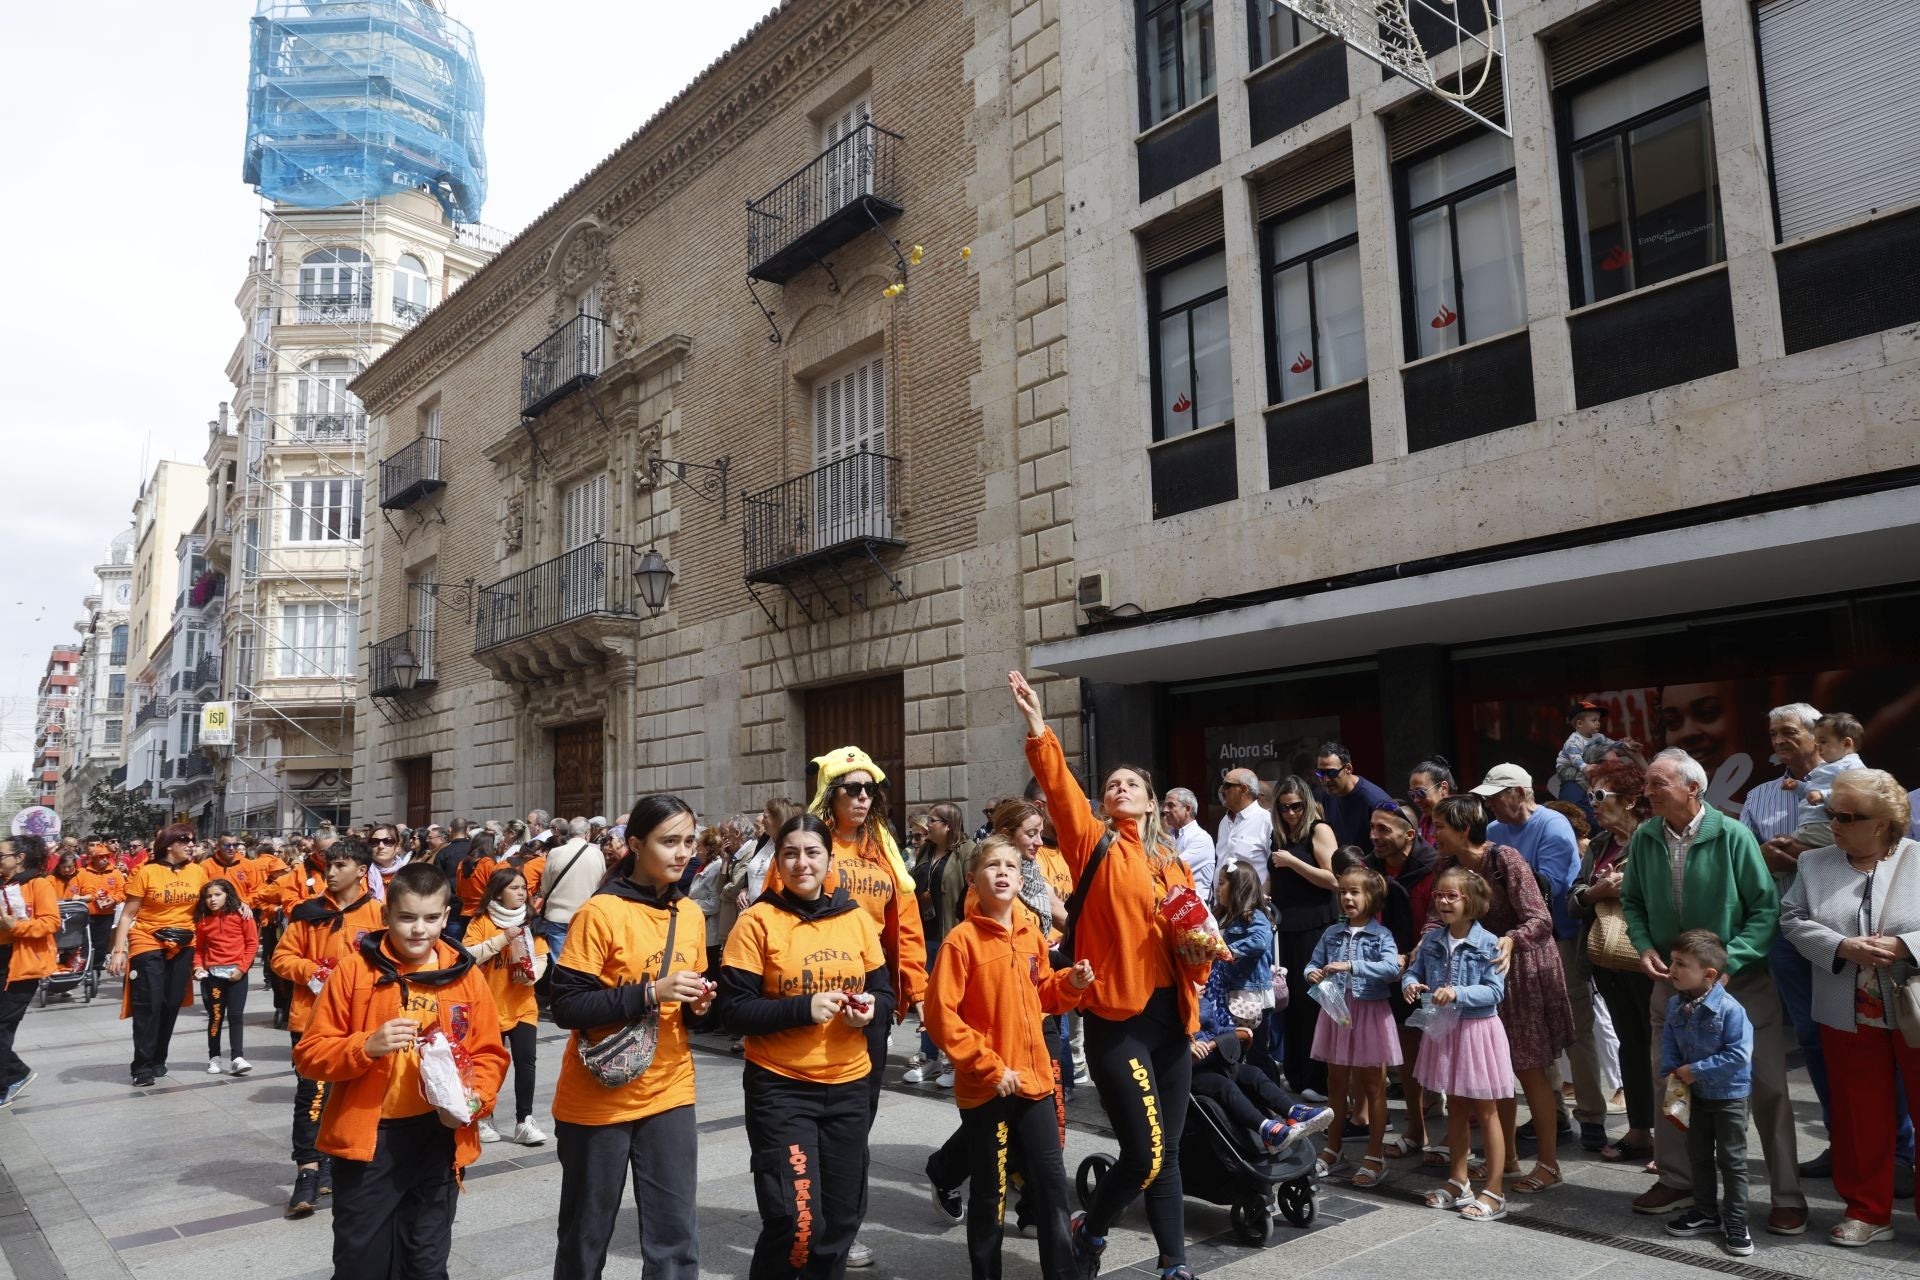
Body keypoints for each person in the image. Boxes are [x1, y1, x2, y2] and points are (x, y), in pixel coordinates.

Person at [1011, 671, 1214, 1280]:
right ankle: (1091, 1230)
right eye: (1111, 784)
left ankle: (1174, 1264)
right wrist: (1039, 725)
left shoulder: (1172, 861)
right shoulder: (1093, 842)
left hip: (1168, 1016)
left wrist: (1205, 945)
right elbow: (1061, 787)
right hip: (1115, 1018)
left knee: (1166, 1153)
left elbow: (1193, 937)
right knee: (1148, 1151)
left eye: (1132, 783)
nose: (1119, 787)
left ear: (1152, 801)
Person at [293, 861, 509, 1280]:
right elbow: (310, 1054)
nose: (419, 930)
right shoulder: (356, 971)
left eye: (431, 918)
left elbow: (489, 1054)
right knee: (361, 1261)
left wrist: (473, 1101)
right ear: (386, 915)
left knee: (426, 1261)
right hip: (371, 1138)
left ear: (446, 917)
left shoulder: (464, 975)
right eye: (407, 918)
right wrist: (365, 1046)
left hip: (438, 1135)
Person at [1621, 748, 1805, 1231]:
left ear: (1692, 789)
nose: (1648, 791)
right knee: (1670, 1083)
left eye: (1658, 783)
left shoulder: (1733, 834)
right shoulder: (1644, 837)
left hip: (1739, 986)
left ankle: (1787, 1193)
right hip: (1672, 986)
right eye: (1648, 784)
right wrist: (1642, 945)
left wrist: (1730, 963)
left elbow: (1766, 910)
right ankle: (1678, 1178)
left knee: (1767, 1086)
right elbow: (1633, 902)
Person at [771, 745, 926, 1269]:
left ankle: (842, 1226)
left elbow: (905, 921)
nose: (863, 799)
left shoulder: (883, 850)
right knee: (810, 1127)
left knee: (856, 1126)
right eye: (851, 790)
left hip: (868, 1001)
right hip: (810, 1001)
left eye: (870, 790)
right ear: (830, 796)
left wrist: (912, 987)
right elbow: (778, 910)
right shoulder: (810, 847)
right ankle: (804, 1221)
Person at [720, 812, 891, 1280]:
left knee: (841, 1220)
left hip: (849, 1086)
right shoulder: (757, 922)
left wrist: (871, 1008)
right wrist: (801, 1008)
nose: (802, 863)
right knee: (797, 1223)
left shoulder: (853, 917)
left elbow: (884, 989)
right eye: (790, 852)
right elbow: (733, 1011)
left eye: (812, 852)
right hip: (782, 1089)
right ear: (778, 860)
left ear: (828, 859)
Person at [549, 794, 712, 1280]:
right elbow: (567, 1006)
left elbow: (688, 1010)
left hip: (670, 1088)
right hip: (597, 1097)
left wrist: (701, 1007)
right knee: (585, 1234)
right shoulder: (600, 913)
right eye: (669, 842)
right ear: (636, 845)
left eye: (688, 841)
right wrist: (649, 992)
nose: (682, 853)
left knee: (675, 1237)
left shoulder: (691, 915)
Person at [926, 836, 1093, 1280]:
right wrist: (989, 1066)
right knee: (990, 1193)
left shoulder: (1030, 932)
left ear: (1021, 879)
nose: (1002, 872)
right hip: (988, 1086)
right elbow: (941, 1017)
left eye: (1010, 866)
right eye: (992, 866)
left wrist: (1071, 983)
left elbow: (1042, 996)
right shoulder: (961, 942)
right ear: (974, 880)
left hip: (1034, 1080)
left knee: (1052, 1186)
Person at [1780, 769, 1920, 1248]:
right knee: (1860, 1116)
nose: (1832, 823)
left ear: (1882, 823)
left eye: (1846, 816)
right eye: (1830, 812)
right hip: (1848, 1010)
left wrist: (1906, 945)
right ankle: (1869, 1211)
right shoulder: (1815, 863)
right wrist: (1841, 945)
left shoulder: (1919, 860)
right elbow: (1792, 919)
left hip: (1915, 1011)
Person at [1426, 795, 1574, 1196]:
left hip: (1523, 969)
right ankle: (1506, 1157)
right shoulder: (1447, 866)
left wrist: (1510, 940)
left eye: (1439, 826)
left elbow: (1540, 918)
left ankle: (1548, 1163)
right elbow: (1431, 921)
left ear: (1462, 828)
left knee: (1529, 1067)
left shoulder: (1504, 858)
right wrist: (1421, 953)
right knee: (1494, 1073)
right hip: (1476, 975)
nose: (1433, 834)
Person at [1474, 762, 1594, 1149]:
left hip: (1557, 936)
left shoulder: (1552, 825)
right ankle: (1554, 1114)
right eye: (1487, 796)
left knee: (1574, 1028)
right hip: (1509, 944)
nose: (1490, 803)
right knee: (1529, 1032)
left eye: (1496, 795)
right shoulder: (1493, 830)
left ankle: (1591, 1117)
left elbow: (1549, 888)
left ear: (1521, 793)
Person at [271, 836, 385, 1217]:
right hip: (311, 1018)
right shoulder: (308, 912)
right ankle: (307, 1169)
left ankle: (334, 1162)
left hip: (361, 1023)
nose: (331, 873)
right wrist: (312, 971)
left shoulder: (380, 915)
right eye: (328, 866)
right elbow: (281, 958)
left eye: (340, 866)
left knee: (348, 1094)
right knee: (311, 1094)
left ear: (362, 871)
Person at [1403, 865, 1512, 1222]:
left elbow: (1495, 990)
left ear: (1473, 901)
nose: (1444, 901)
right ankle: (1458, 1179)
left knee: (1486, 1109)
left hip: (1477, 1032)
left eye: (1453, 896)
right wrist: (1410, 983)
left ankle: (1494, 1190)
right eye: (1439, 895)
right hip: (1444, 1030)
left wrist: (1458, 992)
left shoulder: (1489, 943)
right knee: (1455, 1106)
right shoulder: (1433, 940)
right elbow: (1414, 971)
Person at [1569, 757, 1657, 1167]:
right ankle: (1639, 1131)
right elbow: (1574, 898)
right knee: (1631, 1045)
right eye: (1590, 795)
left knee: (1664, 1049)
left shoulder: (1654, 836)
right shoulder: (1601, 844)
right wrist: (1596, 891)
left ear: (1631, 799)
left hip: (1652, 959)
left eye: (1600, 795)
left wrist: (1630, 890)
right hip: (1608, 959)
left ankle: (1674, 1139)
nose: (1593, 804)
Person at [1658, 930, 1756, 1258]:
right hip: (1696, 1097)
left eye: (1681, 964)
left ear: (1709, 974)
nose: (1672, 968)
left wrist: (1694, 1071)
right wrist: (1673, 1075)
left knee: (1732, 1160)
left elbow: (1739, 1055)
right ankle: (1705, 1211)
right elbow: (1669, 1044)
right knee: (1698, 1155)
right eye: (1672, 961)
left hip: (1729, 1096)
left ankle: (1737, 1220)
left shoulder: (1730, 1009)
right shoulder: (1675, 1005)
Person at [1305, 865, 1403, 1188]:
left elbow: (1391, 967)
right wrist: (1312, 974)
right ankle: (1333, 1149)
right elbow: (1312, 962)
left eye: (1354, 892)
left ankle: (1375, 1155)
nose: (1347, 897)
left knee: (1374, 1083)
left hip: (1369, 1012)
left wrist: (1350, 965)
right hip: (1337, 1010)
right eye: (1343, 891)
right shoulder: (1332, 933)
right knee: (1335, 1081)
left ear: (1372, 897)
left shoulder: (1381, 935)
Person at [107, 823, 208, 1088]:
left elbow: (211, 902)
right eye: (185, 841)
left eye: (193, 841)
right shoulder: (147, 872)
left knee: (170, 1003)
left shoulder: (198, 872)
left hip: (183, 944)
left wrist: (239, 904)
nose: (191, 845)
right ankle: (142, 1066)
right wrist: (119, 951)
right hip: (147, 940)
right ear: (169, 845)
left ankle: (158, 1057)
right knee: (148, 1004)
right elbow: (128, 914)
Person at [1364, 803, 1437, 1157]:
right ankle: (1416, 1131)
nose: (1375, 837)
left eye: (1384, 830)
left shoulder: (1434, 866)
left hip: (1434, 972)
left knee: (1443, 1049)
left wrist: (1418, 952)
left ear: (1409, 835)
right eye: (1373, 829)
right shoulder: (1368, 867)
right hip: (1388, 972)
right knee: (1407, 1054)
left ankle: (1458, 1141)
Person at [463, 866, 549, 1147]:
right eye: (514, 887)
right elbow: (469, 956)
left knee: (527, 1063)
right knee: (490, 1065)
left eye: (524, 887)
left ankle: (525, 1120)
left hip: (523, 1005)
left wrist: (531, 975)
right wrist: (504, 938)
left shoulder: (531, 920)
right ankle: (484, 1115)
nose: (522, 892)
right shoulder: (481, 921)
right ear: (498, 891)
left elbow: (541, 958)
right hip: (487, 1007)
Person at [1269, 775, 1338, 1099]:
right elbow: (1272, 878)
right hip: (1286, 926)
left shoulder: (1318, 830)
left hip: (1315, 926)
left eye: (1296, 806)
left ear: (1306, 804)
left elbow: (1333, 879)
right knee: (1291, 1003)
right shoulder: (1279, 835)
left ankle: (1320, 1079)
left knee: (1314, 1003)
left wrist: (1293, 861)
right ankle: (1297, 1075)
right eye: (1284, 807)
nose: (1291, 813)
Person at [906, 802, 972, 1087]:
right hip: (925, 936)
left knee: (954, 1002)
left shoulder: (968, 852)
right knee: (928, 997)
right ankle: (930, 1056)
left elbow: (973, 893)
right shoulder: (926, 851)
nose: (927, 824)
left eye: (933, 821)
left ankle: (955, 1061)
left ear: (948, 824)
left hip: (952, 936)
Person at [0, 838, 59, 1106]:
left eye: (1, 854)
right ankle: (17, 1072)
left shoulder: (39, 883)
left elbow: (51, 922)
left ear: (19, 857)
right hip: (3, 958)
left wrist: (17, 927)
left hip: (24, 964)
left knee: (2, 1027)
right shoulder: (3, 884)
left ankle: (5, 1086)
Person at [192, 877, 259, 1076]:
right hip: (213, 976)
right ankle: (214, 1058)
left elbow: (252, 943)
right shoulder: (203, 919)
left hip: (237, 974)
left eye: (217, 895)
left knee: (236, 1016)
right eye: (208, 896)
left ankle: (237, 1058)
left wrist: (242, 969)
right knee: (216, 1018)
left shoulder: (242, 915)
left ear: (227, 895)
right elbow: (199, 948)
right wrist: (197, 967)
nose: (212, 899)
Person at [1314, 742, 1394, 852]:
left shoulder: (1375, 801)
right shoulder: (1326, 795)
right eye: (1320, 773)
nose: (1326, 779)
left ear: (1348, 768)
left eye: (1331, 773)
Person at [73, 843, 128, 977]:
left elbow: (123, 891)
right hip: (85, 914)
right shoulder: (82, 873)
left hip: (106, 914)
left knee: (101, 943)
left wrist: (113, 899)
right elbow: (74, 890)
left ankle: (96, 969)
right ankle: (83, 967)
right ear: (93, 858)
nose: (105, 859)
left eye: (107, 856)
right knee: (84, 943)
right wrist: (80, 898)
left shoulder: (115, 872)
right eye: (101, 857)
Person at [1215, 768, 1272, 892]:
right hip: (1223, 906)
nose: (1221, 790)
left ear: (1244, 789)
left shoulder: (1266, 821)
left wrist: (1262, 899)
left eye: (1226, 785)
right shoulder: (1224, 822)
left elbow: (1273, 869)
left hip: (1251, 906)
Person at [1556, 702, 1613, 817]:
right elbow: (1575, 758)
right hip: (1566, 768)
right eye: (1594, 720)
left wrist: (1624, 745)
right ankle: (1589, 792)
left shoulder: (1598, 737)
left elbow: (1611, 744)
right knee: (1582, 778)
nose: (1598, 723)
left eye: (1598, 720)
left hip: (1581, 766)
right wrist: (1585, 768)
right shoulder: (1574, 741)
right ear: (1580, 723)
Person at [1163, 789, 1216, 904]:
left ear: (1187, 809)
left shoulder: (1201, 838)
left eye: (1171, 805)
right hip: (1174, 905)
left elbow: (1170, 867)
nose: (1165, 810)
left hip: (1195, 908)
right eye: (1165, 805)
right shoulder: (1167, 836)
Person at [1408, 758, 1456, 847]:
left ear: (1443, 788)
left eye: (1421, 793)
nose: (1416, 800)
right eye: (1412, 794)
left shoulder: (1458, 820)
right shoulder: (1426, 821)